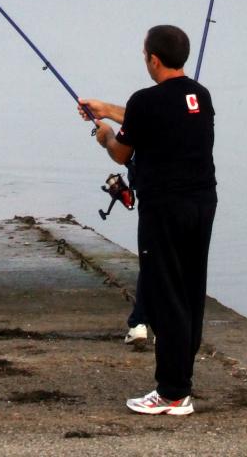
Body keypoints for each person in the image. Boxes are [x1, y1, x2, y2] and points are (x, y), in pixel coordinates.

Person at [80, 25, 216, 417]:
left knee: (165, 294)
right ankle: (180, 387)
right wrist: (107, 108)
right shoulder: (199, 96)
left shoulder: (145, 101)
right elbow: (153, 115)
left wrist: (103, 134)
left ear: (153, 59)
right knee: (190, 293)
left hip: (164, 208)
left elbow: (122, 153)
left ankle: (172, 393)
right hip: (202, 204)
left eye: (144, 55)